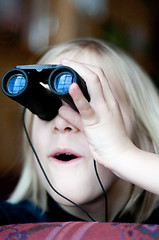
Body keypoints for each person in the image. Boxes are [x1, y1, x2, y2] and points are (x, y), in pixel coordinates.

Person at [1, 37, 159, 224]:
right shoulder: (12, 223)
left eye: (86, 104)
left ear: (145, 134)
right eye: (43, 110)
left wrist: (123, 155)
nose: (62, 124)